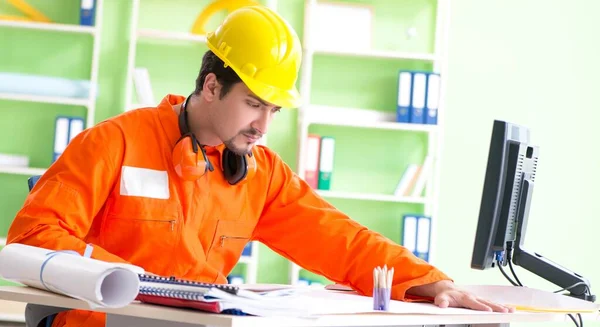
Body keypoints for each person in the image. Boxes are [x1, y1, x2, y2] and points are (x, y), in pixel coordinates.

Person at [6, 5, 513, 327]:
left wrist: (429, 281)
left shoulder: (258, 172)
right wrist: (126, 274)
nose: (264, 125)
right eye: (254, 104)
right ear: (211, 86)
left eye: (274, 109)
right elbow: (33, 235)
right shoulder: (114, 143)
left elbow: (339, 238)